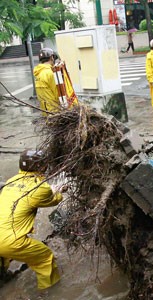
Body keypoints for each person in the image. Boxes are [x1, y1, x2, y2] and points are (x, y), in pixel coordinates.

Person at [0, 149, 64, 291]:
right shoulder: (40, 187)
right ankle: (49, 292)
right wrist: (59, 191)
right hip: (11, 242)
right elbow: (53, 200)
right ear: (42, 167)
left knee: (3, 261)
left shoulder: (10, 181)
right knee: (45, 257)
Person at [34, 48, 61, 115]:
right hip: (55, 113)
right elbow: (58, 94)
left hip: (45, 113)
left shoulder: (39, 74)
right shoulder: (50, 73)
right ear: (52, 57)